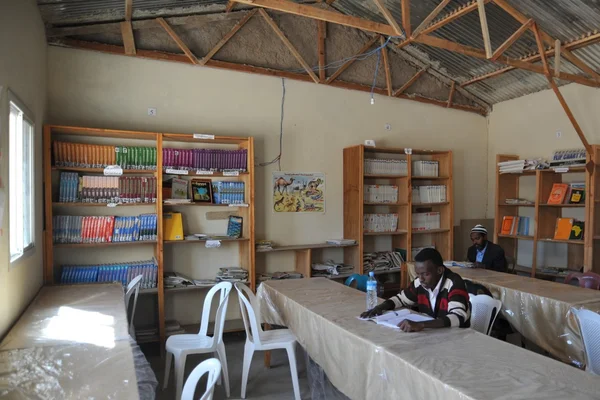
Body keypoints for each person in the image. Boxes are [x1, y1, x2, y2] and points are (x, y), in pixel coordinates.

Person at [360, 248, 470, 332]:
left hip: (456, 338)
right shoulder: (420, 283)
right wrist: (380, 307)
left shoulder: (454, 283)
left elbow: (457, 317)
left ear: (439, 270)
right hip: (433, 335)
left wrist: (421, 324)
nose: (420, 279)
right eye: (418, 274)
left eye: (425, 274)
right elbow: (401, 299)